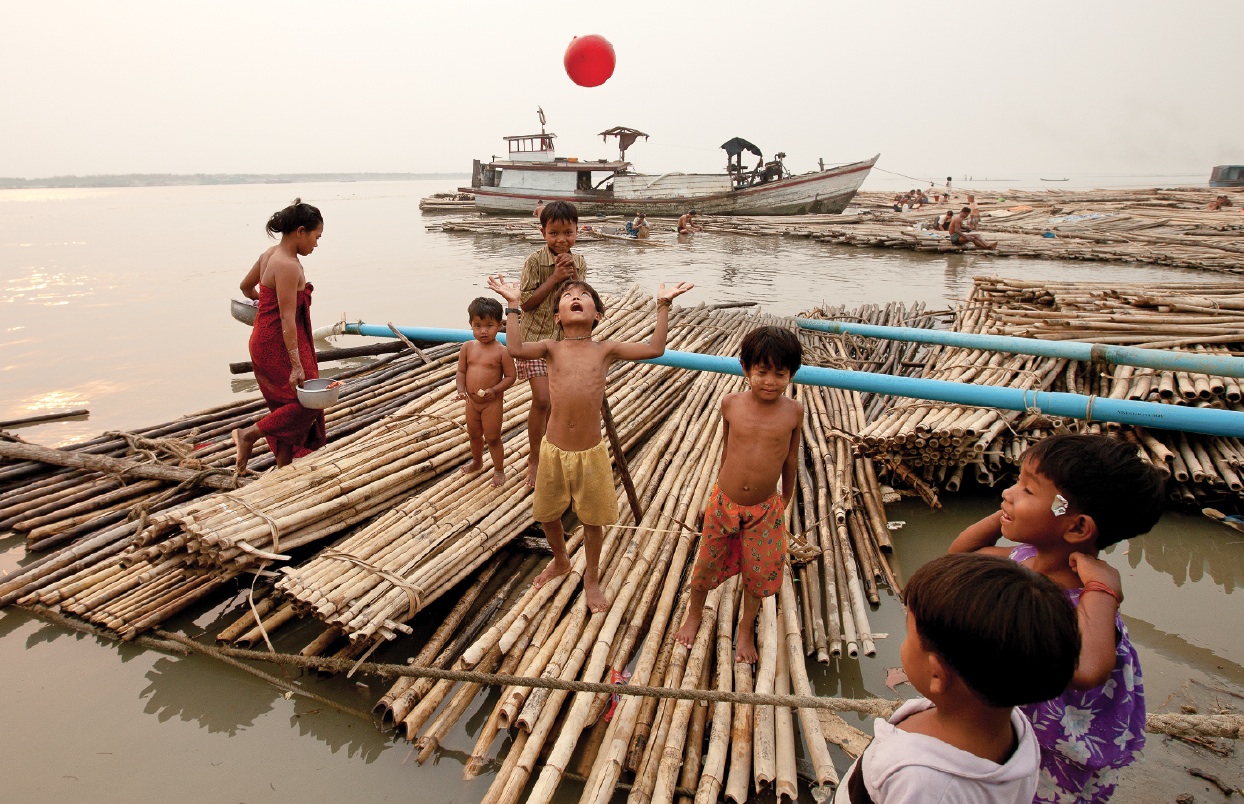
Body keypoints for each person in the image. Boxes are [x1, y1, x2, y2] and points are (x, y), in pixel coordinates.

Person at [950, 433, 1167, 803]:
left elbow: (1086, 669)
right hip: (1022, 729)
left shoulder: (1083, 600)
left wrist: (1104, 590)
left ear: (1079, 528)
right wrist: (1013, 508)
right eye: (1017, 482)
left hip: (1061, 756)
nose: (1008, 492)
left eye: (1029, 490)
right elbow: (960, 557)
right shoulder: (1025, 558)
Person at [487, 276, 694, 612]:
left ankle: (592, 578)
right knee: (548, 513)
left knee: (592, 520)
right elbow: (515, 349)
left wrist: (663, 305)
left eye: (584, 295)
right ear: (558, 317)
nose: (575, 298)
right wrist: (512, 305)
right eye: (568, 296)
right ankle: (561, 559)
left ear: (598, 314)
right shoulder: (551, 348)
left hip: (591, 453)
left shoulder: (605, 349)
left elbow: (655, 349)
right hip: (553, 450)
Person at [835, 553, 1079, 803]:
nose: (904, 643)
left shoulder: (925, 787)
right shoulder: (1014, 726)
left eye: (909, 635)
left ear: (937, 674)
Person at [674, 327, 804, 663]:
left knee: (759, 573)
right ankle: (694, 612)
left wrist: (785, 500)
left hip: (766, 508)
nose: (770, 382)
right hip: (725, 501)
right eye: (762, 372)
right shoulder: (730, 404)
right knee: (706, 562)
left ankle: (745, 629)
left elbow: (790, 459)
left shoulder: (793, 412)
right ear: (745, 368)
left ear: (792, 374)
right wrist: (718, 491)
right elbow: (726, 449)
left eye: (780, 374)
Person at [232, 199, 327, 474]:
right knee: (307, 401)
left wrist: (266, 308)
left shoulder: (269, 254)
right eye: (315, 237)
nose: (316, 244)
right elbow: (287, 318)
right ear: (300, 231)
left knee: (286, 405)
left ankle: (283, 466)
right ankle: (248, 435)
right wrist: (296, 364)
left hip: (265, 338)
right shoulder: (288, 265)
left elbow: (245, 287)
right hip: (278, 344)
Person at [517, 200, 587, 487]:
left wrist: (572, 280)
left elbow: (580, 301)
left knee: (559, 404)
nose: (561, 240)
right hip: (535, 340)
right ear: (543, 232)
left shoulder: (579, 261)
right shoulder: (535, 261)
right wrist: (555, 276)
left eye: (568, 233)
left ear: (577, 231)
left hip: (566, 344)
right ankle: (535, 458)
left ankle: (554, 453)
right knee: (543, 400)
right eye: (554, 233)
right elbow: (527, 304)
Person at [456, 297, 517, 487]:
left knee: (492, 437)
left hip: (492, 402)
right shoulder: (467, 347)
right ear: (471, 325)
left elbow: (510, 376)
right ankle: (477, 461)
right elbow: (461, 371)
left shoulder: (502, 351)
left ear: (499, 325)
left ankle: (499, 469)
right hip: (472, 402)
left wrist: (495, 390)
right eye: (478, 326)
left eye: (489, 325)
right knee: (474, 435)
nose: (483, 331)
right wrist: (460, 390)